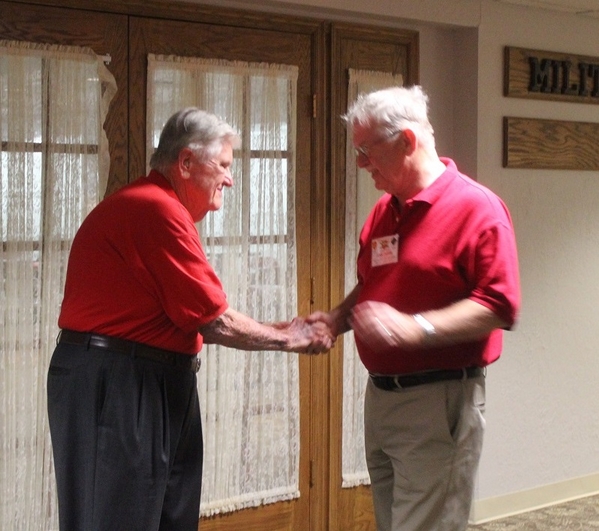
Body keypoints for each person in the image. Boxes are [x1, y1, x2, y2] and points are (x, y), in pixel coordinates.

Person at [47, 108, 334, 531]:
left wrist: (281, 330)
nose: (230, 179)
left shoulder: (158, 207)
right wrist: (289, 338)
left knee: (168, 517)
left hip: (151, 379)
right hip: (120, 382)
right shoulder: (152, 208)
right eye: (222, 166)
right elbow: (213, 321)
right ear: (185, 163)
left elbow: (196, 315)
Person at [309, 86, 520, 531]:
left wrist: (417, 327)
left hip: (439, 399)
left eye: (367, 150)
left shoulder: (477, 209)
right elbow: (373, 285)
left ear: (407, 141)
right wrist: (336, 319)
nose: (361, 163)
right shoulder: (386, 211)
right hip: (382, 397)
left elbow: (499, 305)